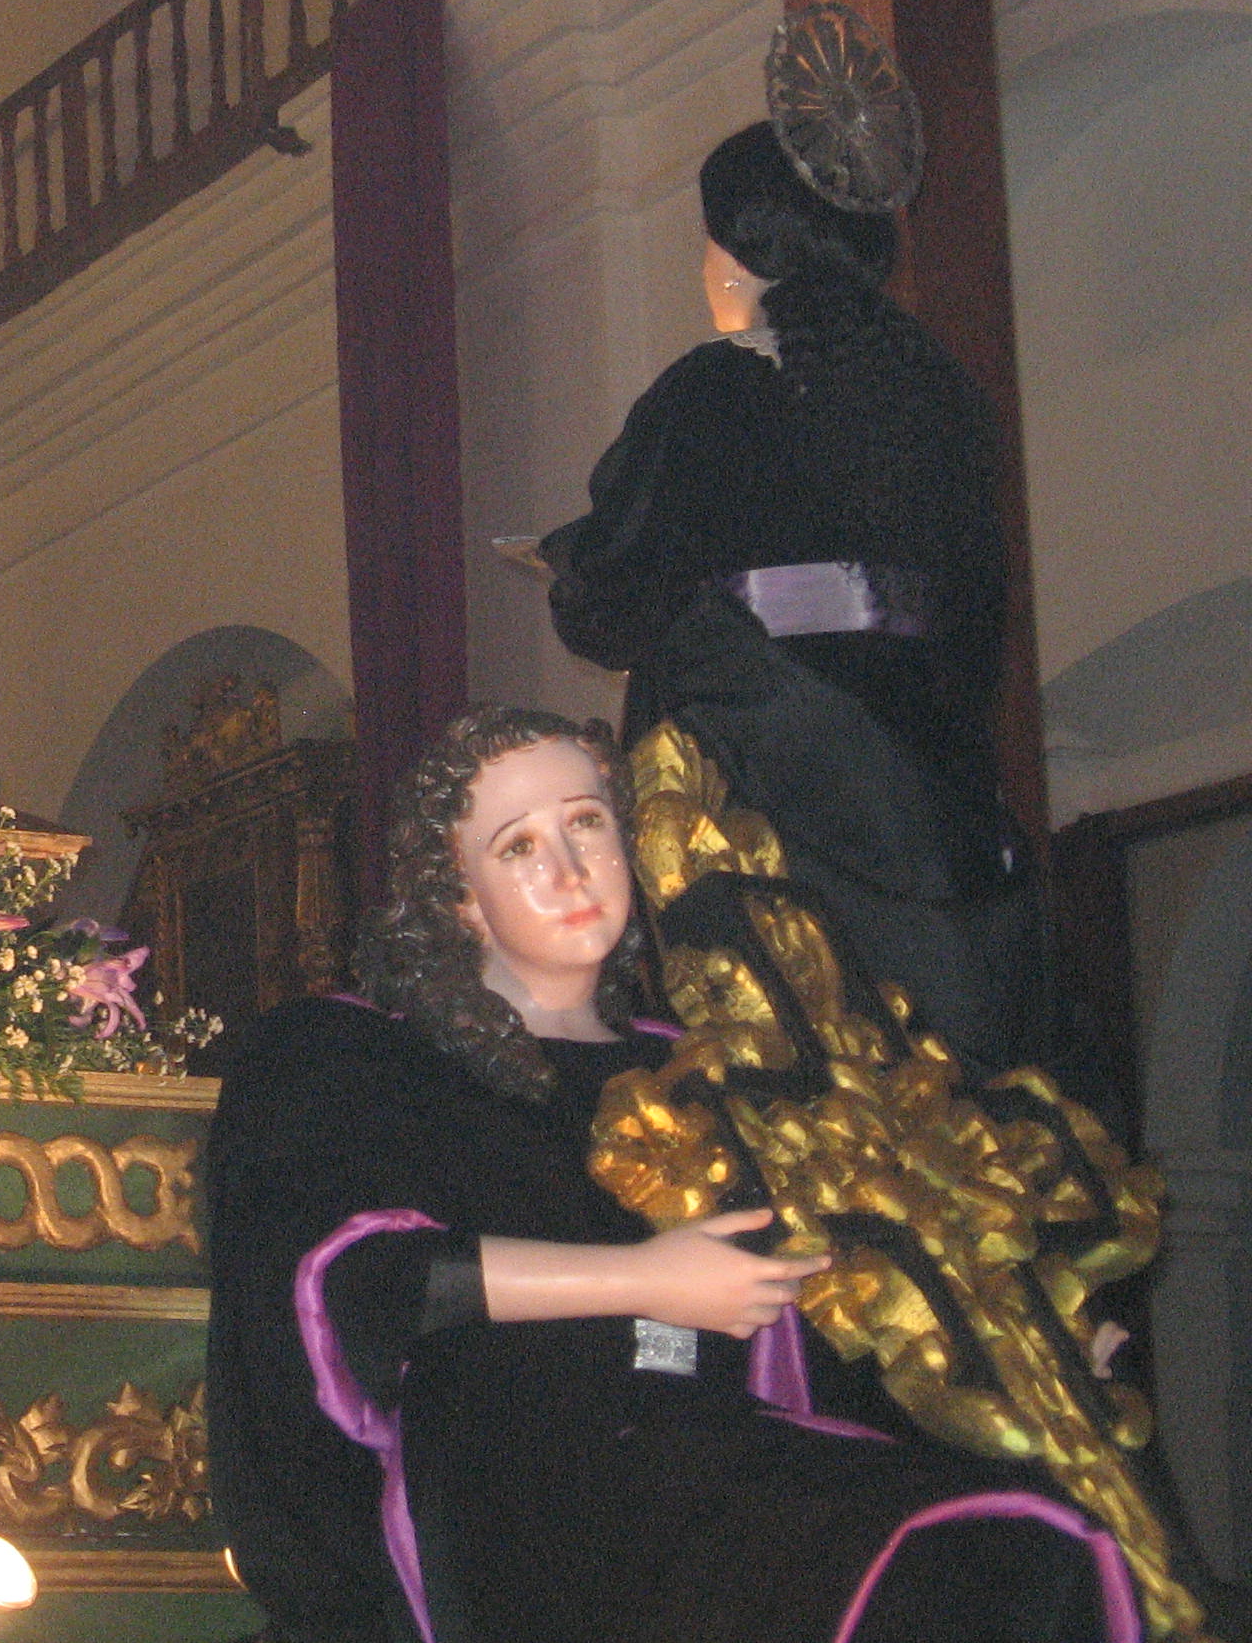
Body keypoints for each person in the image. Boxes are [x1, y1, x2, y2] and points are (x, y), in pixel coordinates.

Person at [203, 706, 1136, 1643]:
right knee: (917, 1557)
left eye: (587, 822)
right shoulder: (357, 1052)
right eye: (518, 845)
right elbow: (354, 1283)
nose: (569, 869)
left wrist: (1014, 1343)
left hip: (728, 1446)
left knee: (1025, 1548)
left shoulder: (711, 1069)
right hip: (531, 1478)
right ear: (457, 896)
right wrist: (646, 1280)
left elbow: (844, 1292)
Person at [537, 121, 1069, 1092]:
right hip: (930, 786)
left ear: (742, 254)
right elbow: (977, 607)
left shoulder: (710, 396)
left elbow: (612, 597)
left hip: (768, 775)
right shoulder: (941, 405)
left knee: (791, 1069)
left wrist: (567, 564)